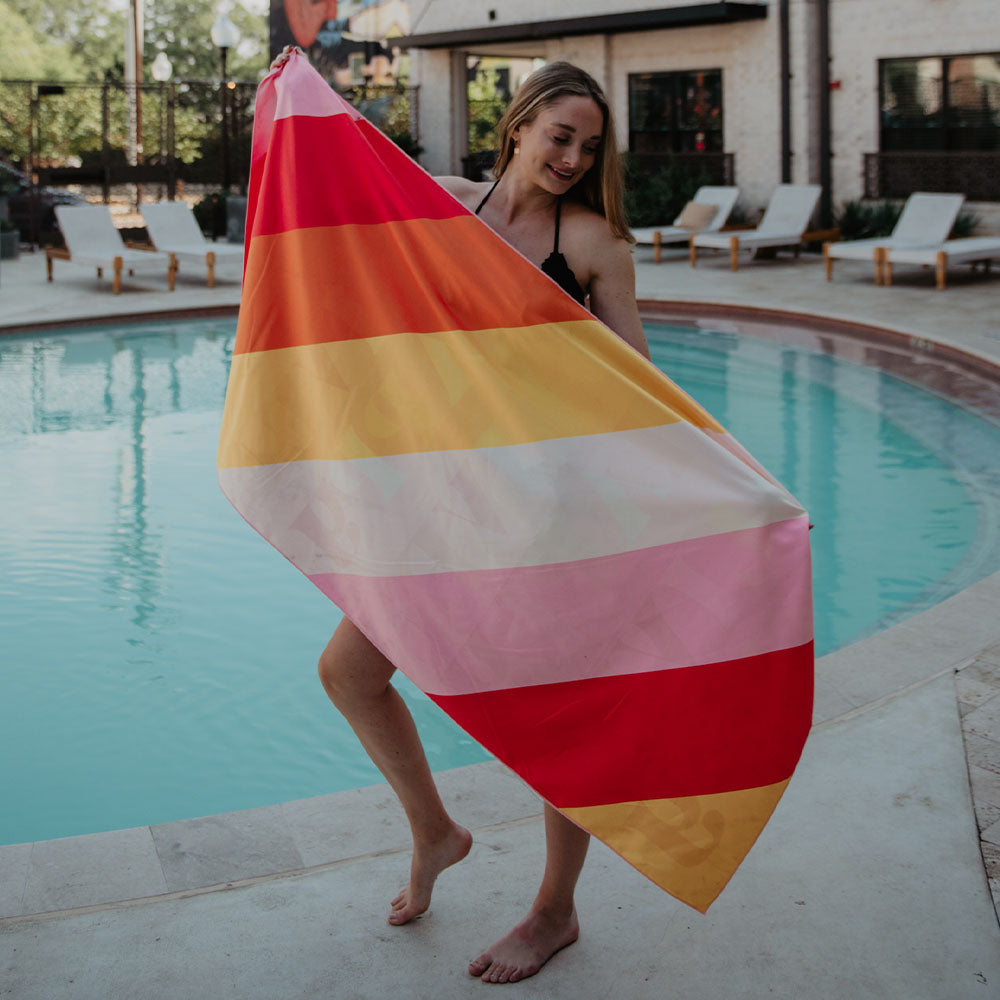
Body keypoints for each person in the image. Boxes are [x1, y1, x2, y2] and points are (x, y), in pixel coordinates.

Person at [317, 61, 650, 985]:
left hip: (546, 512)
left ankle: (555, 911)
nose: (573, 158)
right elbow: (342, 177)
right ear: (519, 125)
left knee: (562, 717)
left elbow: (642, 388)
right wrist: (294, 88)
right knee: (350, 673)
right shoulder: (445, 204)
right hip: (442, 495)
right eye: (561, 136)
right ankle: (435, 830)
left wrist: (740, 493)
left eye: (590, 147)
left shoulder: (593, 243)